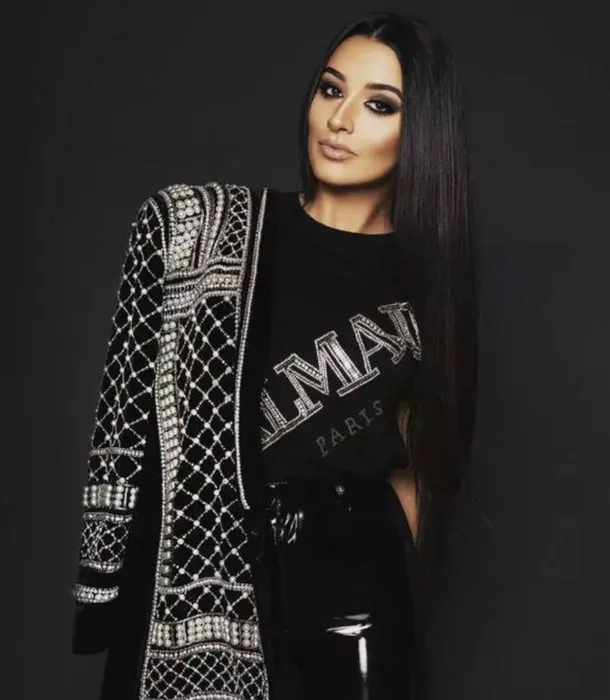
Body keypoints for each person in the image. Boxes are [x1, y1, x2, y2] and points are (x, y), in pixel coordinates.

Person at [70, 10, 478, 700]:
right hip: (209, 563)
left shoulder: (425, 287)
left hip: (358, 577)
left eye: (379, 105)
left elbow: (416, 462)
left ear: (421, 133)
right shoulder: (206, 235)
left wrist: (400, 580)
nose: (340, 120)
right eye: (330, 90)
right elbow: (127, 417)